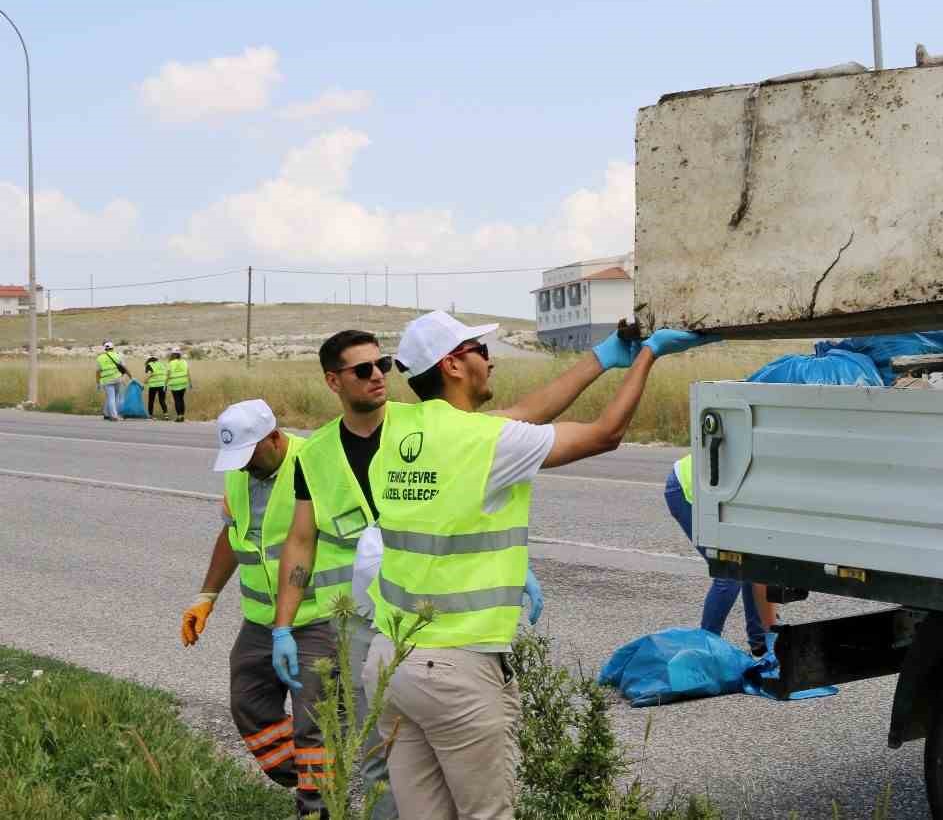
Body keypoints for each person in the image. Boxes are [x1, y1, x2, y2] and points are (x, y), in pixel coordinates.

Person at [337, 310, 710, 820]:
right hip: (457, 670)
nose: (490, 361)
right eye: (479, 351)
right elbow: (604, 434)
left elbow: (521, 415)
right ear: (452, 365)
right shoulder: (484, 443)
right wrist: (647, 356)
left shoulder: (401, 431)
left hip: (392, 661)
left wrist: (599, 361)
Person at [179, 399, 336, 817]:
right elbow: (233, 537)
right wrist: (206, 597)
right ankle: (314, 779)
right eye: (237, 459)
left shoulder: (316, 462)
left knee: (312, 726)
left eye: (250, 455)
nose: (244, 466)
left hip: (317, 619)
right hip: (261, 623)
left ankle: (317, 806)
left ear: (274, 437)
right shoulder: (238, 475)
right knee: (249, 705)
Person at [268, 330, 402, 820]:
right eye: (362, 370)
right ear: (333, 381)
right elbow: (300, 541)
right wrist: (283, 626)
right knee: (378, 751)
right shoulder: (316, 453)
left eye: (382, 364)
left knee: (438, 742)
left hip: (428, 609)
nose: (377, 376)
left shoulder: (420, 428)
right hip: (360, 624)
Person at [665, 453, 777, 655]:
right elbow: (763, 571)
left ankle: (760, 644)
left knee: (751, 566)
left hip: (722, 492)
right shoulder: (769, 480)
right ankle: (704, 652)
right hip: (687, 490)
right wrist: (775, 639)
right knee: (730, 572)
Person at [95, 340, 128, 421]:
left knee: (110, 398)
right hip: (117, 379)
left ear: (104, 349)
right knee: (116, 397)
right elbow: (124, 368)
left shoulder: (100, 358)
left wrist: (98, 383)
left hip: (106, 380)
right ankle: (110, 414)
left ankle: (111, 415)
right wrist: (129, 376)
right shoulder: (118, 356)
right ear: (113, 348)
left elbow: (98, 372)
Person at [168, 348, 191, 421]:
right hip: (183, 382)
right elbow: (188, 373)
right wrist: (190, 382)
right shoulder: (184, 362)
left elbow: (168, 375)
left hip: (174, 383)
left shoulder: (171, 363)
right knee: (181, 399)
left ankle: (179, 416)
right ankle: (182, 416)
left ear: (173, 355)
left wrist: (165, 385)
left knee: (177, 400)